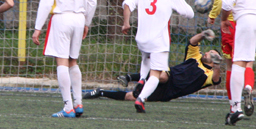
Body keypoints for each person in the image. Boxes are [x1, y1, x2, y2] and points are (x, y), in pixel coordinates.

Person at [32, 0, 97, 118]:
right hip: (79, 19)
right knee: (73, 61)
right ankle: (78, 104)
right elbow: (92, 1)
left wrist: (38, 28)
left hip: (61, 18)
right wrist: (87, 22)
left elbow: (46, 2)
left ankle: (68, 106)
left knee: (61, 61)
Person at [122, 0, 195, 113]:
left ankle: (142, 78)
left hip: (142, 39)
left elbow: (127, 5)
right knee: (156, 73)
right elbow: (189, 13)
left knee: (146, 59)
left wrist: (126, 23)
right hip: (158, 42)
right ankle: (141, 99)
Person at [86, 30, 222, 102]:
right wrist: (203, 34)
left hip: (169, 92)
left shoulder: (208, 74)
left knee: (132, 97)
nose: (207, 53)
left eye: (212, 54)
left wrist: (217, 65)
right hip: (169, 75)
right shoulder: (195, 58)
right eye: (209, 51)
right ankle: (130, 77)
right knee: (162, 76)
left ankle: (101, 92)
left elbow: (216, 80)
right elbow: (192, 42)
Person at [208, 0, 256, 115]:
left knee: (231, 64)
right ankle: (248, 87)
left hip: (230, 23)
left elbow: (220, 0)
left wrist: (213, 15)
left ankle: (233, 105)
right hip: (248, 21)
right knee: (248, 61)